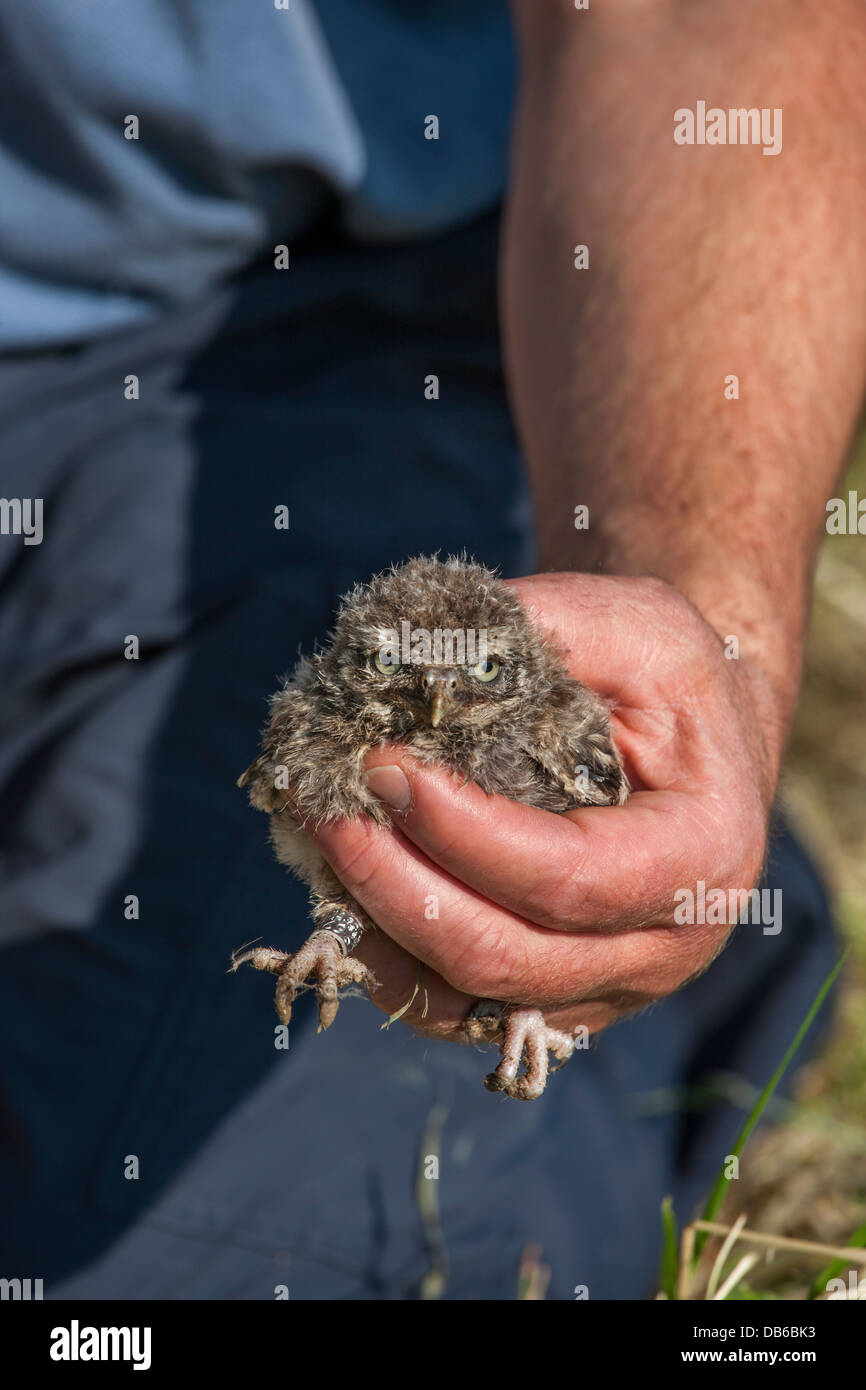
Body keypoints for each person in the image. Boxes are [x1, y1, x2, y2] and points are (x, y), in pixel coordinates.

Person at [0, 1, 861, 1300]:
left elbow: (706, 26)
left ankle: (640, 950)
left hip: (272, 340)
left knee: (195, 1269)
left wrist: (700, 621)